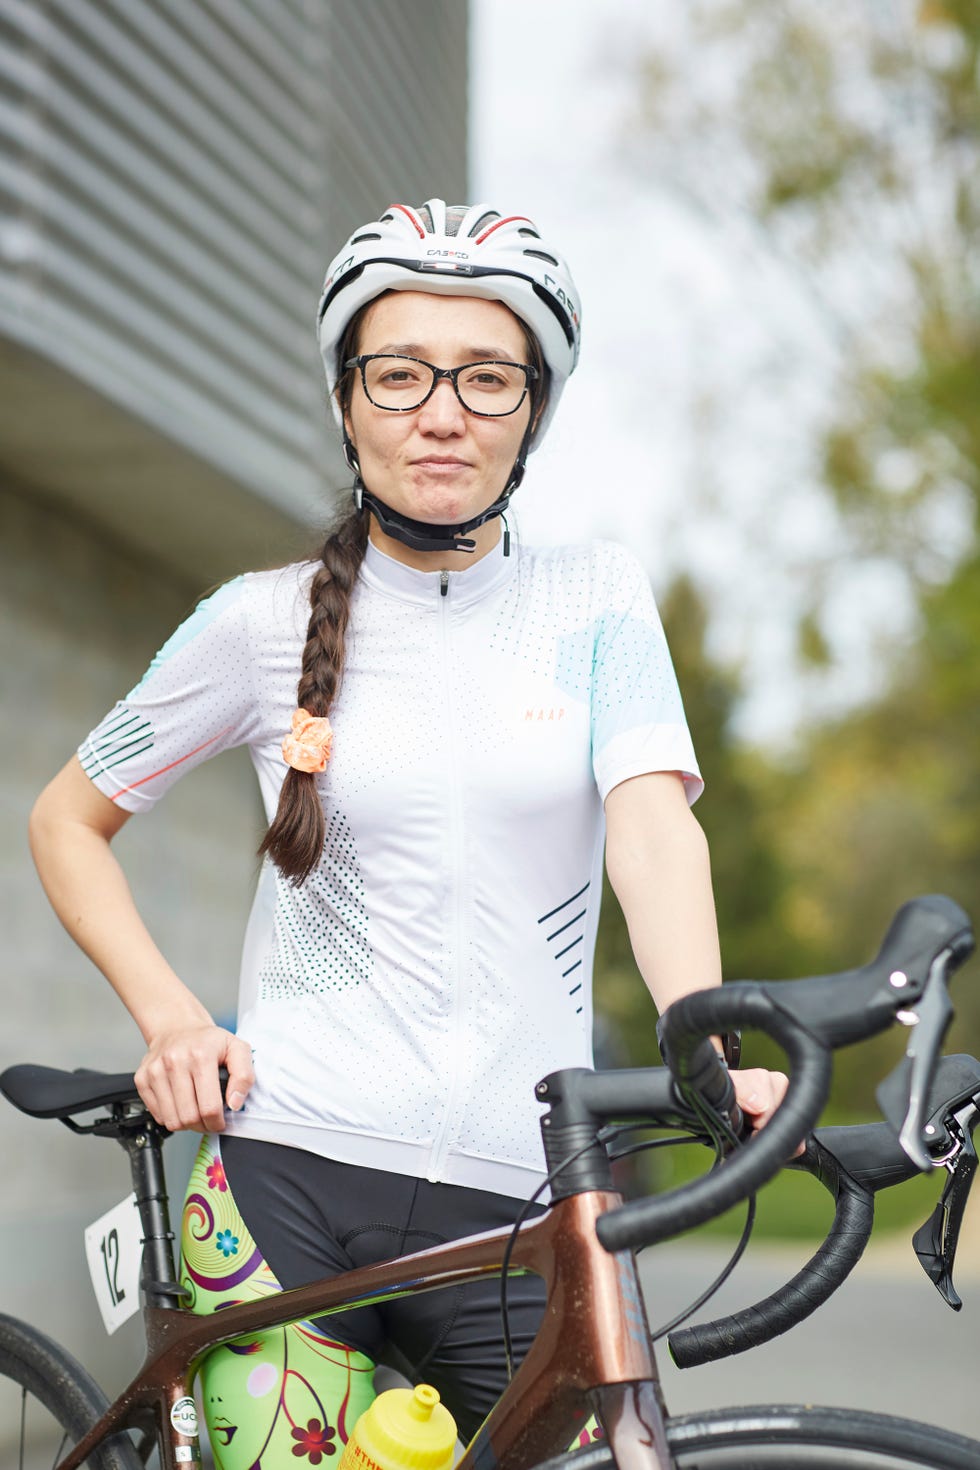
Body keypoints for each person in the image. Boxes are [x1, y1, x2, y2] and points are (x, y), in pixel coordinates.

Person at [30, 199, 788, 1467]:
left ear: (533, 410)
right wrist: (170, 1018)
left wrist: (705, 1038)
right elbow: (67, 818)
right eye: (400, 374)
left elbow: (652, 834)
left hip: (519, 1194)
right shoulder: (254, 623)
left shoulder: (594, 602)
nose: (441, 412)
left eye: (487, 378)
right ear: (347, 400)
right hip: (283, 1177)